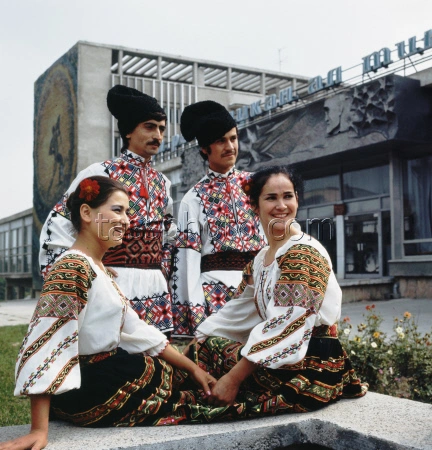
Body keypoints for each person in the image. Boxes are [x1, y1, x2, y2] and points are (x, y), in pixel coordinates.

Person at [0, 177, 217, 450]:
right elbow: (46, 343)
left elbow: (137, 330)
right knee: (204, 398)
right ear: (87, 213)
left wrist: (193, 368)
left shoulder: (96, 268)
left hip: (104, 378)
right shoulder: (72, 268)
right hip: (95, 388)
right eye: (117, 210)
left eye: (128, 212)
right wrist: (39, 430)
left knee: (202, 364)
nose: (126, 221)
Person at [189, 165, 368, 412]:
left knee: (206, 378)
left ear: (297, 199)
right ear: (255, 206)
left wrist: (233, 379)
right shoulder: (262, 259)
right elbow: (237, 310)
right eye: (271, 198)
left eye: (288, 196)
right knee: (205, 349)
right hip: (280, 355)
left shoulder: (303, 253)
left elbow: (288, 324)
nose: (281, 206)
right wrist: (197, 340)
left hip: (311, 364)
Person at [39, 85, 176, 335]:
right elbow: (59, 221)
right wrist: (84, 267)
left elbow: (168, 234)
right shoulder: (100, 173)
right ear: (128, 131)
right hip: (114, 280)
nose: (158, 134)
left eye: (162, 128)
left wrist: (164, 273)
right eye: (149, 126)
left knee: (157, 356)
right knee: (114, 355)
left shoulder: (164, 183)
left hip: (155, 287)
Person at [173, 100, 266, 337]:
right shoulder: (192, 199)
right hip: (216, 297)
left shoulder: (257, 185)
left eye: (233, 138)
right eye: (220, 141)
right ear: (205, 149)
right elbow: (187, 261)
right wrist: (197, 315)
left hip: (259, 292)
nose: (230, 146)